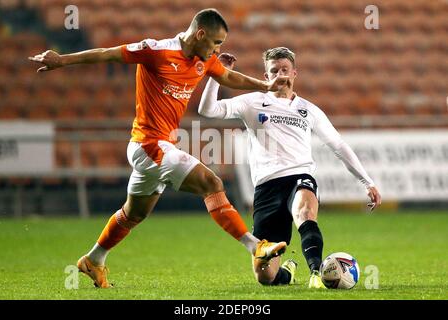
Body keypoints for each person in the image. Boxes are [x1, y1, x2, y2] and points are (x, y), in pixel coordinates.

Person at [28, 9, 290, 288]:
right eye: (216, 42)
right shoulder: (157, 50)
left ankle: (94, 259)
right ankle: (255, 247)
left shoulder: (203, 60)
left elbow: (229, 77)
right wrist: (60, 60)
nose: (218, 49)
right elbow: (108, 53)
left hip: (159, 147)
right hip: (148, 144)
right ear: (200, 34)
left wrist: (264, 85)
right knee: (211, 183)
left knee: (134, 214)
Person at [198, 48, 382, 288]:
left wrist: (366, 181)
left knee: (304, 213)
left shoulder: (309, 110)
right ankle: (287, 272)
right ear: (266, 76)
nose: (280, 74)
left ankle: (316, 274)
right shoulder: (252, 102)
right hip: (266, 186)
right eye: (274, 70)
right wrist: (216, 74)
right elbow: (207, 110)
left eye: (285, 69)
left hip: (300, 176)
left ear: (295, 73)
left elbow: (338, 145)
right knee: (265, 276)